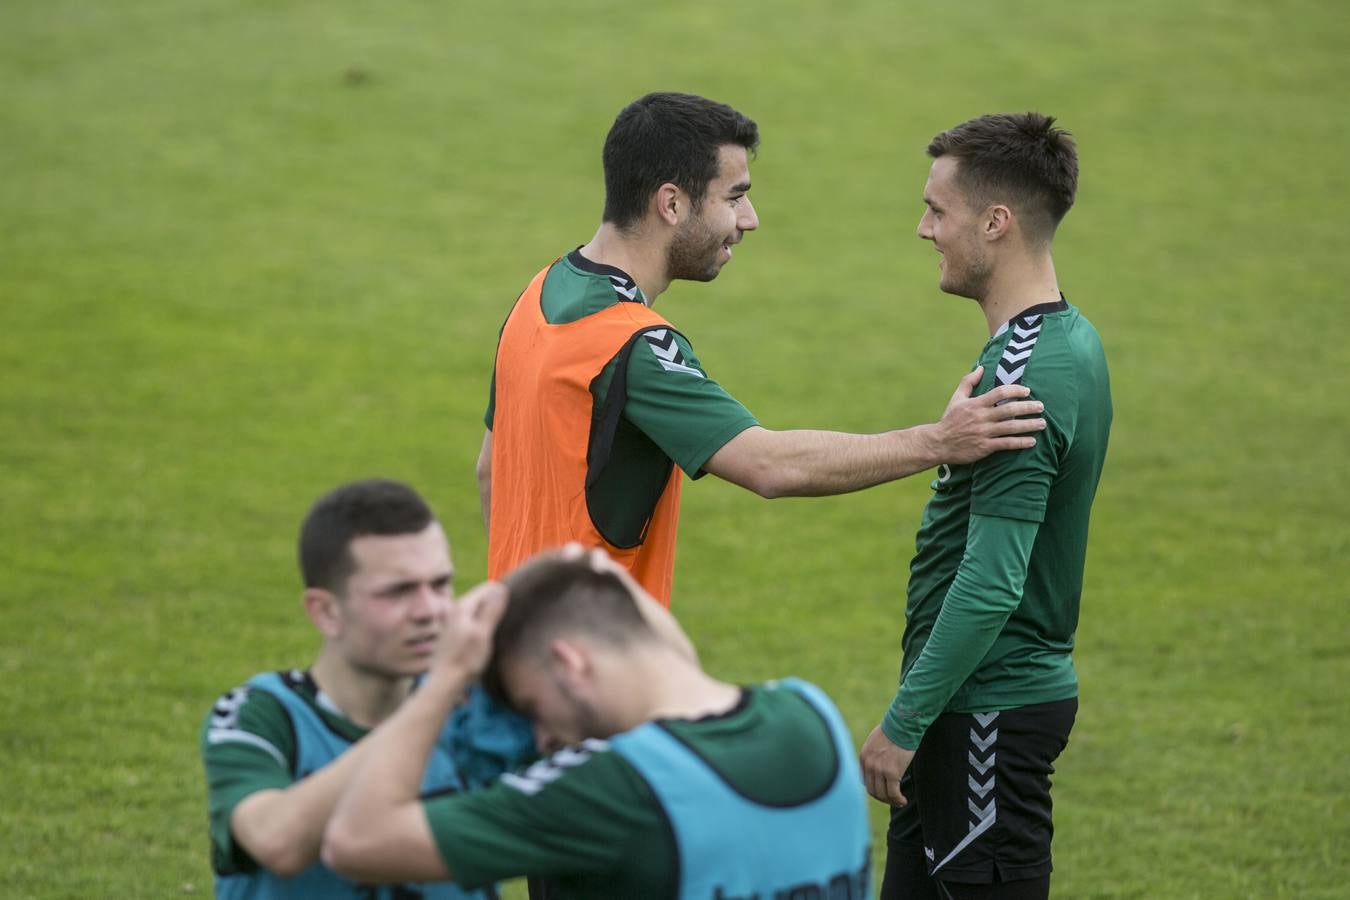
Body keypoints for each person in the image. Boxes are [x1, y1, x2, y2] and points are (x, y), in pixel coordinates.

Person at [478, 90, 1049, 606]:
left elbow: (489, 471)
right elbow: (769, 465)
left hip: (518, 645)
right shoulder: (630, 345)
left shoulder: (541, 292)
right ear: (671, 205)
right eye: (735, 197)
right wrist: (939, 440)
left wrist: (519, 612)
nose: (748, 220)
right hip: (587, 674)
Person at [857, 112, 1113, 900]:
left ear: (996, 223)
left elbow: (994, 578)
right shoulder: (1065, 340)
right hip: (968, 710)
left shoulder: (1024, 377)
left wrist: (902, 724)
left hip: (987, 714)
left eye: (938, 211)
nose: (923, 229)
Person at [322, 547, 873, 899]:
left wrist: (446, 678)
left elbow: (358, 841)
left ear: (569, 663)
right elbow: (673, 665)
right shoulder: (809, 713)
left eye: (532, 706)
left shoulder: (610, 791)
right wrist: (595, 565)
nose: (542, 739)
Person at [200, 479, 534, 899]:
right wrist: (440, 689)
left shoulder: (482, 711)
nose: (430, 611)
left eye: (440, 584)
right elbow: (276, 842)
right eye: (399, 592)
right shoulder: (264, 714)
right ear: (325, 612)